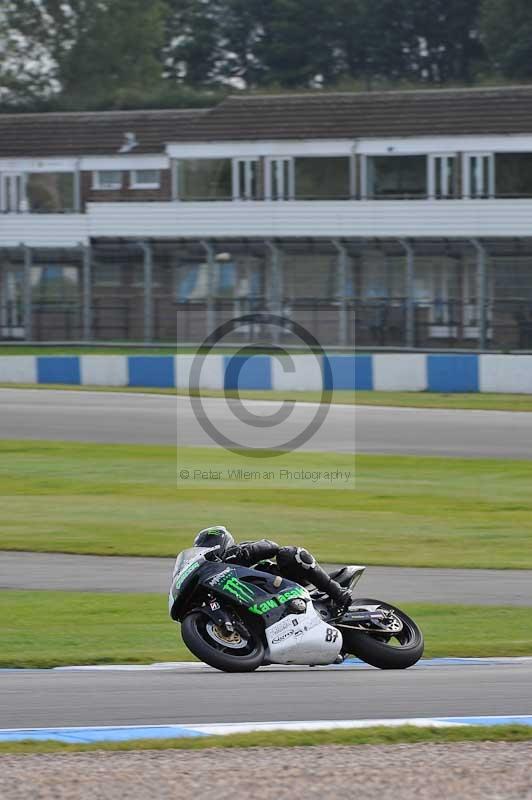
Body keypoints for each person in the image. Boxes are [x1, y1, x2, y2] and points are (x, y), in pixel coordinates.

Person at [194, 525, 352, 610]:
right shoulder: (212, 580)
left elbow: (271, 546)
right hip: (257, 605)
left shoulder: (238, 551)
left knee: (292, 554)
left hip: (279, 585)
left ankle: (337, 592)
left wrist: (245, 554)